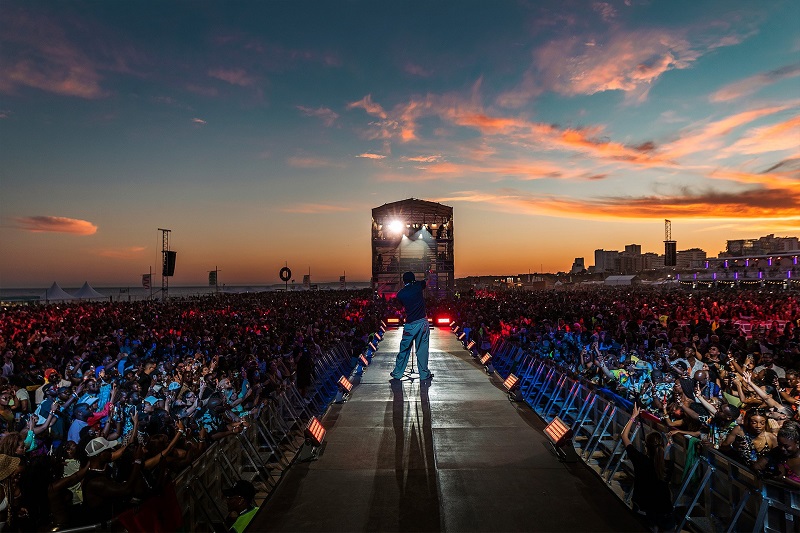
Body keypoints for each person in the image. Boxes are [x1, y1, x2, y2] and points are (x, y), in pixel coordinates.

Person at [621, 405, 675, 532]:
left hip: (645, 508)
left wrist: (633, 417)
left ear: (646, 447)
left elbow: (624, 436)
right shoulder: (669, 465)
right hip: (664, 509)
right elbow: (659, 461)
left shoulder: (640, 460)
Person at [390, 272, 433, 381]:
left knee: (404, 349)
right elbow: (427, 281)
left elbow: (402, 306)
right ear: (413, 279)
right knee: (422, 349)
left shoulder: (400, 294)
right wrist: (429, 274)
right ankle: (423, 374)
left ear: (404, 281)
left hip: (410, 325)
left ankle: (398, 373)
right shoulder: (418, 286)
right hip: (422, 322)